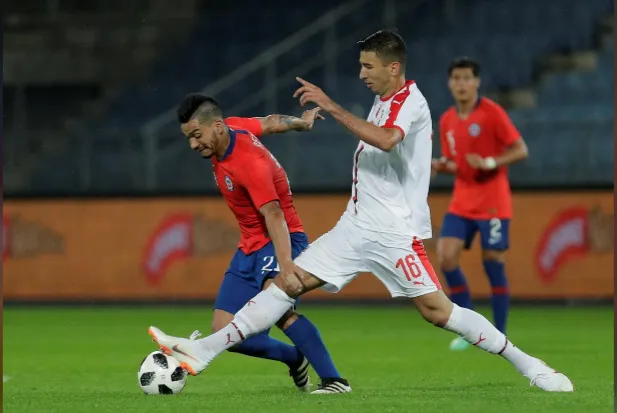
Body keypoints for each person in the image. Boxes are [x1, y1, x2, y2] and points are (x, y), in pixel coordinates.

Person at [150, 30, 573, 393]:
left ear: (392, 67)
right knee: (284, 285)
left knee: (438, 312)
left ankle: (529, 365)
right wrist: (300, 122)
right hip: (356, 226)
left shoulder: (411, 101)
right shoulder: (383, 98)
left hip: (392, 232)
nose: (362, 74)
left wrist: (332, 108)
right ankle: (204, 351)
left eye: (367, 66)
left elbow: (388, 140)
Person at [172, 93, 350, 394]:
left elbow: (274, 213)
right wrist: (299, 123)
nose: (193, 145)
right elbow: (268, 123)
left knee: (279, 309)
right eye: (189, 137)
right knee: (223, 331)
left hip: (281, 238)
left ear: (215, 126)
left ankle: (334, 380)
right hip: (250, 245)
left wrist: (288, 265)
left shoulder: (248, 162)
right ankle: (294, 358)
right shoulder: (230, 128)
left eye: (196, 136)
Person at [432, 57, 529, 351]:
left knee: (493, 262)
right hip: (462, 200)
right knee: (446, 257)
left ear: (476, 82)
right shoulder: (447, 119)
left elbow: (520, 149)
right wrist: (439, 164)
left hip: (493, 202)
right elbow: (456, 162)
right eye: (456, 78)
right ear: (450, 84)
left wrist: (490, 161)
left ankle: (499, 333)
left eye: (466, 78)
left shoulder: (492, 113)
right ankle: (470, 328)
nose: (461, 84)